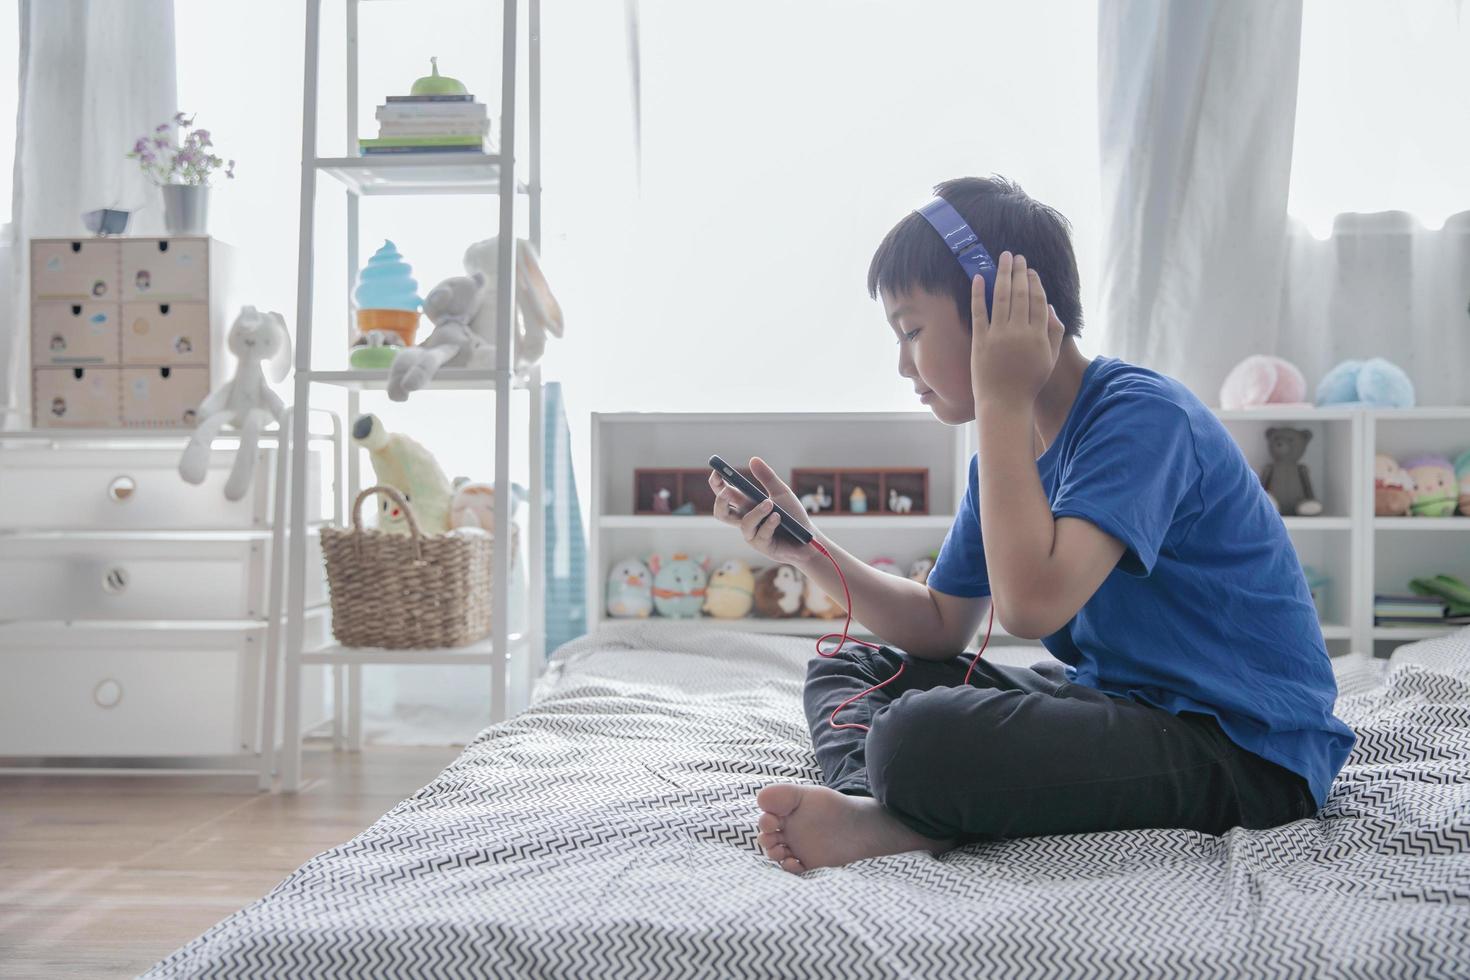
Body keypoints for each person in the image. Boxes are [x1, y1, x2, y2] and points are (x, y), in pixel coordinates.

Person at [708, 176, 1355, 875]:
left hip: (1243, 748)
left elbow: (1030, 604)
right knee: (850, 664)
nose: (903, 365)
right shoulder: (1007, 457)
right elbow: (940, 624)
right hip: (1123, 702)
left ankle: (904, 801)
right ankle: (881, 806)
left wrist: (1002, 398)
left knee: (920, 737)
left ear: (999, 307)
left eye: (912, 331)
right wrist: (806, 549)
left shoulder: (1141, 417)